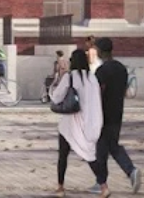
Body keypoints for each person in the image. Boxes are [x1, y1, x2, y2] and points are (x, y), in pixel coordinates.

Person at [49, 41, 108, 197]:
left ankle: (60, 187)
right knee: (89, 155)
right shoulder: (92, 78)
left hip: (71, 122)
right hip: (89, 122)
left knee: (63, 155)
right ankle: (104, 186)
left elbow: (56, 97)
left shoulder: (70, 77)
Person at [93, 37, 142, 193]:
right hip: (117, 112)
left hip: (103, 114)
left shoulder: (102, 71)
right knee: (111, 146)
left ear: (100, 51)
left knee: (101, 148)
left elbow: (97, 92)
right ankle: (128, 172)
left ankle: (102, 181)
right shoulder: (121, 68)